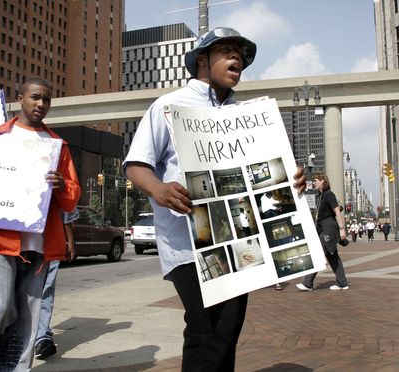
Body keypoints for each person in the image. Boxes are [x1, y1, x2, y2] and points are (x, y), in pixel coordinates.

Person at [124, 27, 306, 371]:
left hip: (240, 240)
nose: (236, 57)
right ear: (202, 60)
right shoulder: (169, 106)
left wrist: (291, 180)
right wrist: (159, 190)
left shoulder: (249, 117)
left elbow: (266, 178)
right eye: (226, 50)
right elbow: (136, 166)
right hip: (186, 243)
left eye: (240, 52)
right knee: (205, 328)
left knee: (228, 328)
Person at [0, 77, 81, 371]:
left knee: (27, 316)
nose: (41, 104)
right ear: (19, 98)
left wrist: (62, 185)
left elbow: (71, 200)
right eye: (35, 97)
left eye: (46, 100)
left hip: (38, 247)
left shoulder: (57, 146)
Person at [34, 208, 80, 360]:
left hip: (51, 238)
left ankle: (41, 337)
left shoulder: (56, 183)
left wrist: (70, 241)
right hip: (20, 236)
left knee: (46, 289)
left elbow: (65, 206)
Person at [296, 174, 349, 291]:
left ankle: (307, 283)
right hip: (323, 228)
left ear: (322, 181)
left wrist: (342, 229)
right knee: (332, 256)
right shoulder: (321, 196)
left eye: (316, 180)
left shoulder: (329, 194)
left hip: (328, 228)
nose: (314, 182)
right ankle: (342, 282)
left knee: (317, 254)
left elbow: (337, 211)